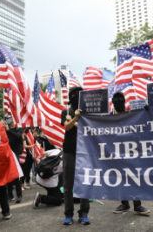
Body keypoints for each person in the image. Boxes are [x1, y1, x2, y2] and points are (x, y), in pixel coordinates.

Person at [111, 92, 151, 216]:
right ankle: (125, 203)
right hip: (116, 152)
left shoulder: (130, 115)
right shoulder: (108, 117)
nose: (118, 104)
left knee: (134, 177)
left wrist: (146, 111)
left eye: (120, 101)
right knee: (121, 178)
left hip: (131, 152)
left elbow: (143, 123)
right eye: (117, 102)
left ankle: (137, 205)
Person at [61, 86, 90, 225]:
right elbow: (67, 127)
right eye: (74, 94)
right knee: (68, 185)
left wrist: (74, 121)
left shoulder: (88, 112)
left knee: (84, 183)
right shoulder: (65, 111)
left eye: (79, 94)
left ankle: (84, 213)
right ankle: (68, 214)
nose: (76, 96)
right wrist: (76, 118)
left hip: (85, 151)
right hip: (69, 152)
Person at [3, 115, 23, 203]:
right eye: (6, 118)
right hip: (6, 153)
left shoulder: (18, 129)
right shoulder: (4, 129)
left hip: (15, 154)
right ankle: (9, 195)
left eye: (9, 118)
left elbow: (17, 137)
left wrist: (8, 130)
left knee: (16, 175)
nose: (8, 120)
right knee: (7, 175)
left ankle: (19, 195)